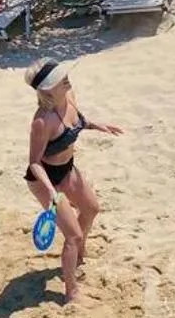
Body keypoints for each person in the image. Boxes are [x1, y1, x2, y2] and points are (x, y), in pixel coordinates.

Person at [23, 60, 124, 305]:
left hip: (67, 170)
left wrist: (97, 125)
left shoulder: (69, 97)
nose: (66, 78)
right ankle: (71, 293)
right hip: (45, 179)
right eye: (59, 78)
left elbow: (78, 121)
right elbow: (34, 162)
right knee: (73, 235)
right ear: (47, 90)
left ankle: (78, 255)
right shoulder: (42, 121)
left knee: (91, 209)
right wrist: (51, 192)